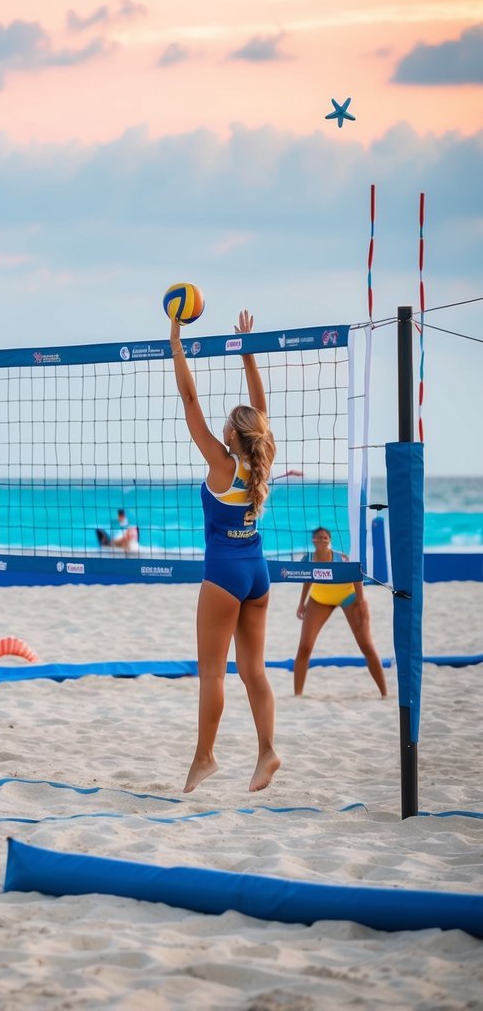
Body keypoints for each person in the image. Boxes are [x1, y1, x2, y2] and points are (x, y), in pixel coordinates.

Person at [170, 309, 280, 793]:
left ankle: (204, 757)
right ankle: (266, 751)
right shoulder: (262, 460)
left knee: (212, 672)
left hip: (223, 576)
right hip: (257, 573)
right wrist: (247, 350)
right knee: (254, 671)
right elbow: (260, 407)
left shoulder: (222, 463)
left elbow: (189, 397)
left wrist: (176, 342)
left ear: (232, 435)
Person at [294, 527, 388, 698]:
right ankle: (297, 696)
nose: (321, 540)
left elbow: (356, 575)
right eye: (318, 537)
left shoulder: (342, 558)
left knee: (366, 645)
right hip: (319, 599)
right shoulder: (308, 558)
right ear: (313, 540)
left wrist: (361, 602)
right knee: (305, 646)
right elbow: (308, 578)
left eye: (324, 537)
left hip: (348, 597)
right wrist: (302, 602)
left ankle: (384, 694)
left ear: (330, 540)